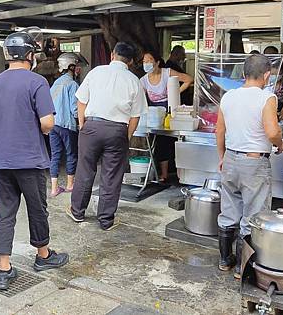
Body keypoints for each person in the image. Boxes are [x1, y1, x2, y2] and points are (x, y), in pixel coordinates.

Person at [0, 31, 69, 291]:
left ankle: (3, 268)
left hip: (1, 160)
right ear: (30, 55)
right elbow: (47, 122)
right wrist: (39, 128)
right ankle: (43, 256)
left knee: (6, 213)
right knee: (37, 209)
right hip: (30, 160)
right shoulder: (37, 82)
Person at [216, 54, 283, 280]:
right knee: (254, 215)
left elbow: (219, 131)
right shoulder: (267, 97)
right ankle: (242, 268)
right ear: (266, 75)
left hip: (231, 160)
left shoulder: (229, 97)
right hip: (254, 163)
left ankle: (225, 260)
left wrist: (222, 156)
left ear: (244, 73)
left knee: (229, 210)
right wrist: (280, 144)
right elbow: (272, 132)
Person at [68, 42, 148, 230]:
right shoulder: (134, 81)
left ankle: (77, 212)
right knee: (111, 176)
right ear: (130, 61)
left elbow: (81, 101)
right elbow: (135, 117)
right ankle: (105, 220)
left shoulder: (96, 72)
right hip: (117, 130)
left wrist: (82, 124)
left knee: (85, 170)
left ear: (113, 55)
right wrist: (125, 136)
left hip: (91, 126)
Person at [141, 50, 193, 182]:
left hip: (170, 111)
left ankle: (178, 174)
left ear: (157, 62)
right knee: (158, 142)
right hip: (154, 115)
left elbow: (188, 79)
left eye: (149, 61)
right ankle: (162, 175)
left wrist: (174, 93)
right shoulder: (143, 81)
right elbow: (140, 99)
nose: (146, 64)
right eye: (144, 61)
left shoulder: (167, 72)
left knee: (171, 141)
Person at [49, 52, 80, 197]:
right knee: (71, 154)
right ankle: (70, 185)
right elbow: (75, 108)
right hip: (67, 125)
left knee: (55, 155)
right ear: (71, 66)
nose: (79, 69)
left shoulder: (56, 83)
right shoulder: (72, 84)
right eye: (77, 66)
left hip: (53, 124)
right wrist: (81, 121)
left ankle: (54, 188)